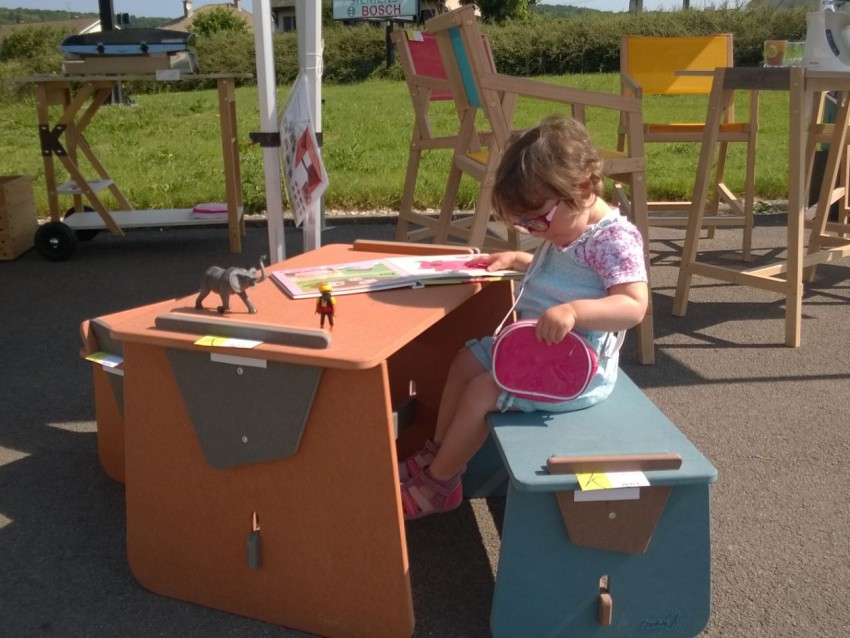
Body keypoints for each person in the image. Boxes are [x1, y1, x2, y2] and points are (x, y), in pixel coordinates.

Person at [399, 114, 649, 520]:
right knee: (464, 361)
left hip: (572, 372)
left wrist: (574, 312)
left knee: (483, 390)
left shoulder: (613, 240)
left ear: (583, 189)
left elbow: (633, 306)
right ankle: (438, 454)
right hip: (535, 351)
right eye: (524, 224)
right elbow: (568, 276)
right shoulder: (566, 227)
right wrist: (523, 261)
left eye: (539, 220)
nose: (534, 230)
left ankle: (440, 483)